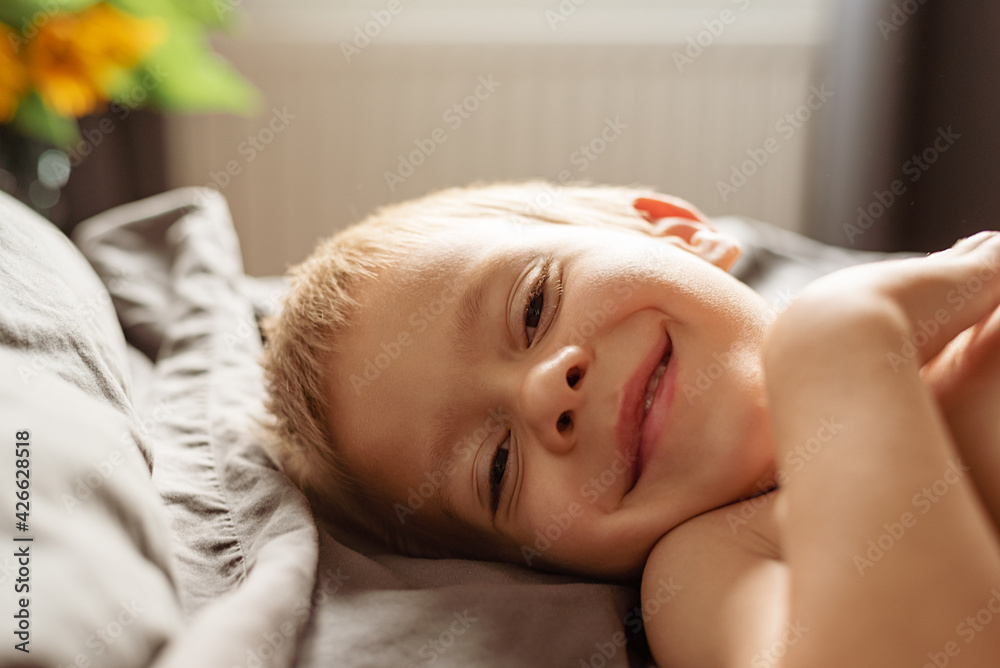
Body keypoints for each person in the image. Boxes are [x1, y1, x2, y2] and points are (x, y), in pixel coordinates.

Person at [260, 180, 1000, 667]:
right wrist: (837, 346)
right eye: (497, 465)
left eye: (532, 307)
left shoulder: (942, 298)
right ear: (543, 563)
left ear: (674, 229)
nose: (547, 392)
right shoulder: (715, 565)